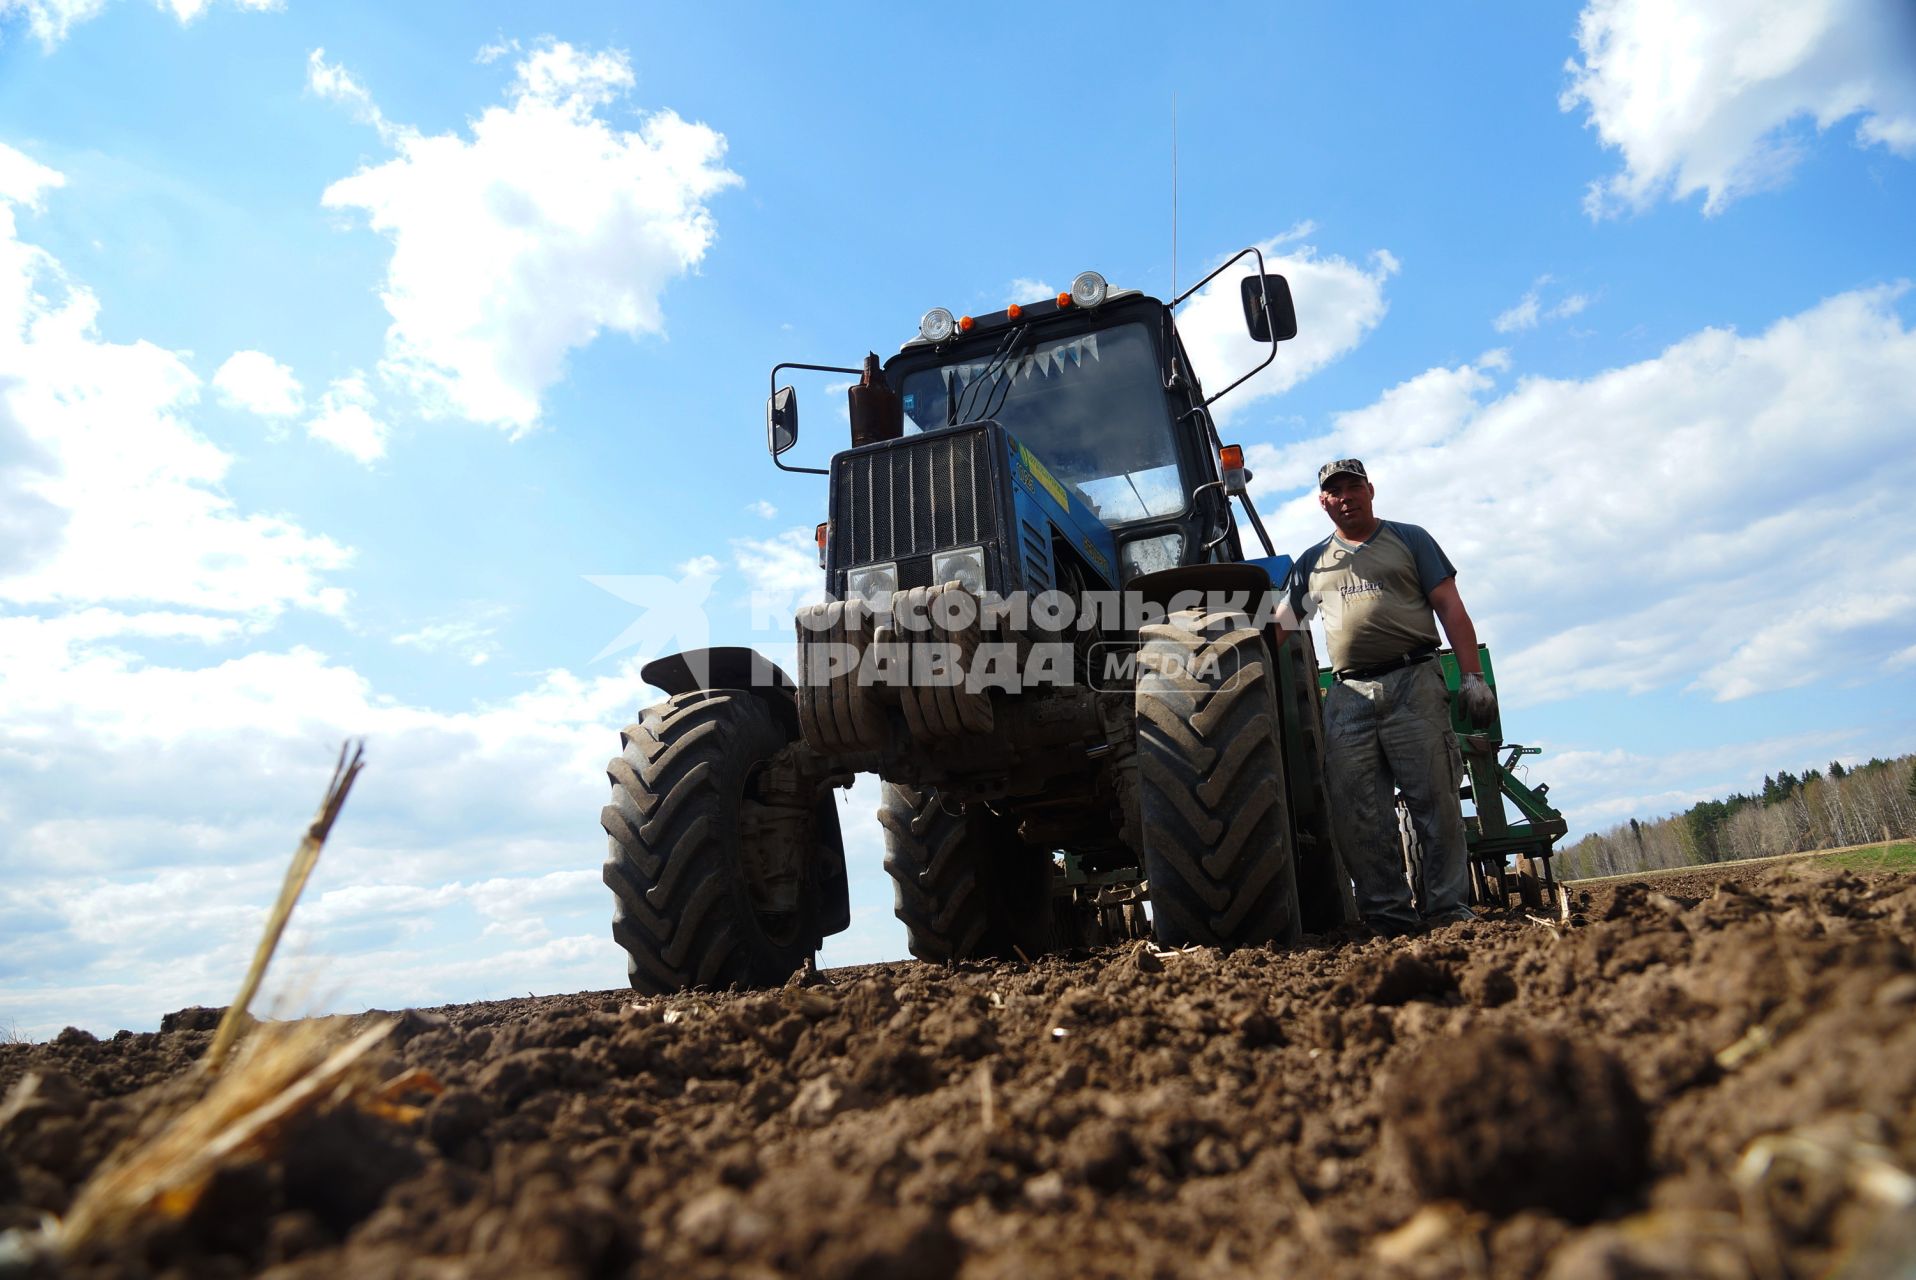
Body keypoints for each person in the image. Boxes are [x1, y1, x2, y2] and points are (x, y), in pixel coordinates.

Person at [1281, 459, 1496, 936]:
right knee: (1358, 813)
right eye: (1334, 491)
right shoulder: (1311, 561)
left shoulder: (1410, 538)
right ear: (1323, 502)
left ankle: (1446, 911)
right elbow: (1280, 625)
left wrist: (1473, 676)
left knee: (1434, 801)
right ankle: (1388, 917)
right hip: (1348, 695)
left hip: (1414, 681)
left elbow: (1450, 609)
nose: (1345, 497)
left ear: (1370, 490)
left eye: (1353, 486)